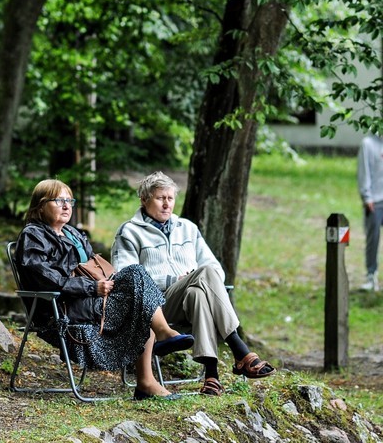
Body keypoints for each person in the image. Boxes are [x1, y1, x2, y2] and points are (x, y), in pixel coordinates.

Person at [16, 179, 194, 400]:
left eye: (69, 200)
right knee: (140, 304)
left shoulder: (73, 234)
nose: (66, 206)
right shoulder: (33, 235)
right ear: (40, 205)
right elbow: (43, 278)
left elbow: (94, 267)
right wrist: (92, 287)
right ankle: (148, 375)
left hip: (90, 299)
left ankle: (160, 343)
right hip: (62, 308)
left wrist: (108, 284)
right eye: (59, 200)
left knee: (136, 274)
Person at [112, 171, 276, 397]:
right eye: (160, 198)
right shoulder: (129, 231)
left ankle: (212, 377)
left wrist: (192, 277)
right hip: (154, 309)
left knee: (198, 292)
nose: (167, 204)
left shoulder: (187, 228)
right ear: (144, 199)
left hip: (186, 303)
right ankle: (239, 348)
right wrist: (174, 279)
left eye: (170, 198)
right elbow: (126, 276)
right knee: (203, 276)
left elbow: (216, 269)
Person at [357, 134, 383, 292]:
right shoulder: (368, 143)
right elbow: (364, 171)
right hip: (375, 201)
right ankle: (371, 276)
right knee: (372, 239)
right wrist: (367, 197)